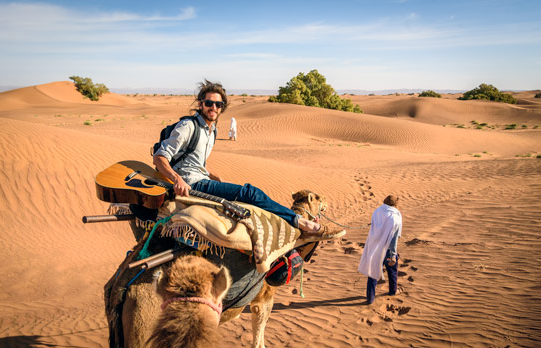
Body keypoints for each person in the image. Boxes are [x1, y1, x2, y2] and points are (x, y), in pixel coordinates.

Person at [153, 79, 343, 240]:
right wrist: (177, 179)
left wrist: (212, 174)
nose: (213, 108)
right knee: (251, 194)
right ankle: (303, 224)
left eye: (218, 105)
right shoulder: (188, 126)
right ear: (201, 103)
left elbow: (194, 160)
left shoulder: (212, 130)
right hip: (192, 184)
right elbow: (160, 157)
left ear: (222, 108)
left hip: (202, 178)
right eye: (209, 103)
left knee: (244, 205)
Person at [358, 195, 402, 304]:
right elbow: (393, 239)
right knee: (392, 271)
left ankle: (370, 298)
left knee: (372, 272)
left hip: (374, 246)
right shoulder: (395, 217)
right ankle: (392, 292)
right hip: (386, 249)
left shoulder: (377, 211)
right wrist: (392, 255)